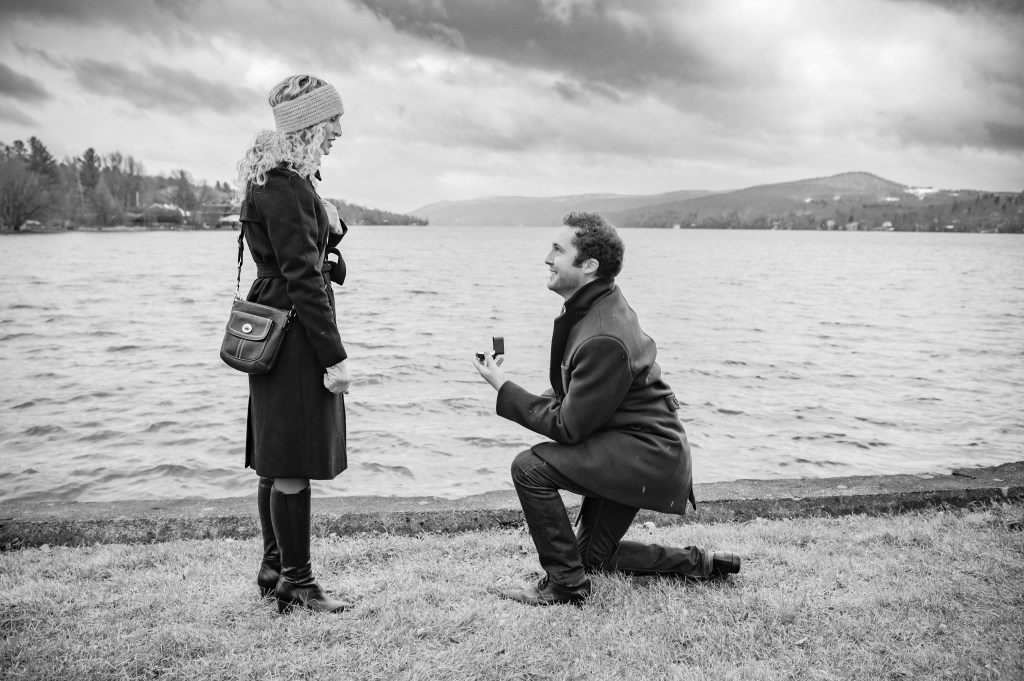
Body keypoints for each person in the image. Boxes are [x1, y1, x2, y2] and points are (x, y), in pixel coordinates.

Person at [473, 211, 740, 606]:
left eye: (558, 250)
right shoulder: (597, 303)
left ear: (589, 265)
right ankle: (703, 564)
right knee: (591, 558)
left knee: (528, 468)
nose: (547, 257)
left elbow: (569, 426)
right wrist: (516, 387)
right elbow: (584, 393)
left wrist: (502, 387)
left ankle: (566, 584)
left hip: (644, 455)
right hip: (638, 447)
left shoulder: (603, 332)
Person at [235, 74, 352, 613]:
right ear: (307, 124)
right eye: (332, 122)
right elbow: (304, 277)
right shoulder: (285, 183)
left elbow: (296, 254)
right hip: (294, 331)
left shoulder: (279, 177)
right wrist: (336, 357)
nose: (338, 133)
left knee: (277, 454)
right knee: (292, 456)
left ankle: (274, 566)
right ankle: (297, 584)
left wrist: (331, 225)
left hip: (274, 321)